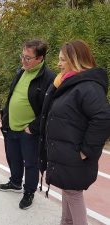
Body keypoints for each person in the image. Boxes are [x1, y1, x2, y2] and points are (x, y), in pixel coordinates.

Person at [39, 40, 110, 225]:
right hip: (65, 153)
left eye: (63, 59)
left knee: (73, 193)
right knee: (68, 190)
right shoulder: (67, 83)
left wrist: (86, 150)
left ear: (75, 60)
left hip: (74, 155)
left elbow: (103, 118)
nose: (59, 63)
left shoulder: (87, 86)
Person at [0, 40, 55, 209]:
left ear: (40, 58)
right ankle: (15, 182)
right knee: (13, 158)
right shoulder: (21, 71)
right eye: (22, 56)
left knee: (31, 163)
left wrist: (34, 127)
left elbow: (49, 110)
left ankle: (29, 192)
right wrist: (5, 114)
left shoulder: (49, 78)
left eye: (28, 58)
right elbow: (12, 95)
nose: (23, 61)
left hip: (29, 131)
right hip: (11, 126)